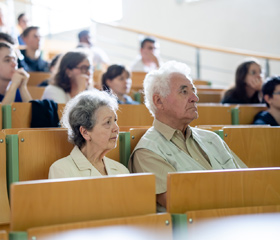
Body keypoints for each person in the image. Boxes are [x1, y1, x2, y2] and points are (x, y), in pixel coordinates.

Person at [128, 61, 247, 211]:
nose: (195, 98)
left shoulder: (212, 138)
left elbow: (249, 181)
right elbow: (181, 202)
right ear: (158, 101)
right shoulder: (148, 152)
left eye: (194, 91)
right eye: (184, 92)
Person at [49, 90, 129, 178]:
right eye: (108, 122)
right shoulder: (61, 170)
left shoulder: (122, 170)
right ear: (85, 132)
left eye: (115, 120)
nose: (116, 128)